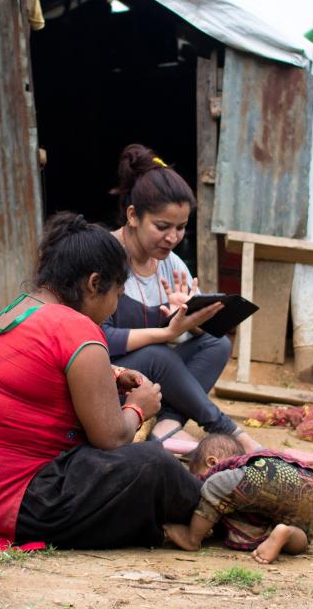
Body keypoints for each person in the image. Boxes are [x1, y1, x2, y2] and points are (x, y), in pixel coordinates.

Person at [0, 213, 200, 550]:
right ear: (94, 283)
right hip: (10, 503)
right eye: (116, 293)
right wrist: (138, 407)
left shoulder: (15, 311)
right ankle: (219, 507)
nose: (114, 307)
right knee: (154, 463)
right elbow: (113, 439)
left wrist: (111, 376)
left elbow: (40, 378)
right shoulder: (77, 328)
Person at [105, 143, 259, 451]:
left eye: (181, 228)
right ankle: (227, 429)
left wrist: (188, 319)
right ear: (133, 216)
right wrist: (165, 332)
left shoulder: (170, 263)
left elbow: (195, 335)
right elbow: (98, 338)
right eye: (162, 227)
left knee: (216, 343)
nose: (173, 238)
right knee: (158, 354)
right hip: (111, 379)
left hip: (155, 379)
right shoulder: (105, 256)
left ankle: (168, 423)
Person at [163, 433, 313, 564]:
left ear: (212, 462)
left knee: (212, 487)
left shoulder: (230, 472)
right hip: (309, 481)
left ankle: (192, 539)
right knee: (303, 538)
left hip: (267, 472)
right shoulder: (243, 487)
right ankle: (285, 532)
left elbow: (213, 491)